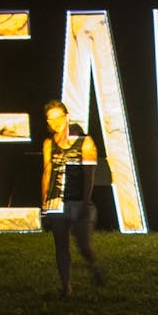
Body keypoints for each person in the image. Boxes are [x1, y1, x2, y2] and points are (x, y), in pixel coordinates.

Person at [39, 100, 103, 296]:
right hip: (57, 202)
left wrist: (85, 202)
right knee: (61, 245)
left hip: (78, 201)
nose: (54, 122)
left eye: (58, 117)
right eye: (50, 119)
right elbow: (47, 174)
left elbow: (89, 175)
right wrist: (44, 206)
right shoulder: (49, 144)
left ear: (66, 117)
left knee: (83, 245)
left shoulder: (85, 142)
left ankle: (94, 267)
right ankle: (66, 286)